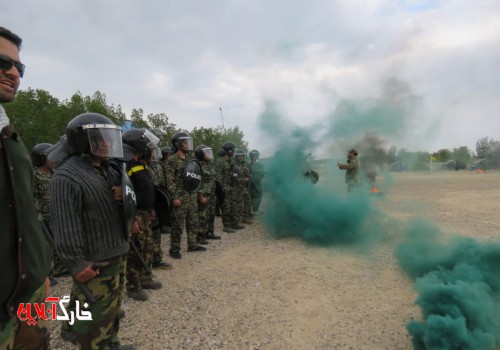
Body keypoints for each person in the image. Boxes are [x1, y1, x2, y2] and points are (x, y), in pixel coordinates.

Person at [50, 112, 135, 349]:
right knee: (95, 318)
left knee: (113, 308)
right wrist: (76, 263)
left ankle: (112, 343)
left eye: (109, 138)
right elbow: (65, 224)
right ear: (83, 141)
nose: (108, 143)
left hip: (117, 251)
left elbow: (118, 205)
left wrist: (121, 200)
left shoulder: (108, 169)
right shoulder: (66, 177)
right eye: (100, 138)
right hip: (95, 261)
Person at [0, 26, 51, 350]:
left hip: (26, 294)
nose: (14, 72)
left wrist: (38, 269)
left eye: (20, 66)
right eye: (3, 61)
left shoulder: (10, 137)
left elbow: (24, 214)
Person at [121, 128, 164, 302]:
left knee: (147, 247)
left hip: (146, 213)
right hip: (136, 214)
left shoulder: (143, 164)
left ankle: (146, 278)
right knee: (135, 252)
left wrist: (152, 208)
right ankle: (133, 286)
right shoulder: (126, 165)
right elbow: (125, 193)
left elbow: (147, 190)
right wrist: (131, 219)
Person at [31, 143, 69, 286]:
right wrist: (38, 214)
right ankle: (47, 273)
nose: (53, 160)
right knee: (46, 246)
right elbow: (33, 196)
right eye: (49, 157)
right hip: (43, 217)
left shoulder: (56, 173)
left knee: (60, 241)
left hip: (57, 214)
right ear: (41, 158)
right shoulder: (35, 175)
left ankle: (60, 268)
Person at [165, 132, 206, 259]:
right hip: (180, 196)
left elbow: (197, 177)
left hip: (192, 195)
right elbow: (169, 180)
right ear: (178, 144)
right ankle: (174, 249)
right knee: (178, 224)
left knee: (193, 220)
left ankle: (192, 245)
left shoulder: (190, 159)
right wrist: (174, 197)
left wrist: (199, 194)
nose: (188, 144)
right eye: (185, 142)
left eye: (188, 142)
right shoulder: (172, 160)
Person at [194, 145, 221, 241]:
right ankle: (200, 236)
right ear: (200, 154)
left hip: (211, 194)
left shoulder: (208, 164)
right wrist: (200, 196)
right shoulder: (198, 165)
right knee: (203, 215)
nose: (209, 154)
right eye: (206, 152)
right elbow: (197, 182)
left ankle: (210, 232)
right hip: (204, 194)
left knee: (211, 214)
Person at [248, 149, 264, 214]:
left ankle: (256, 209)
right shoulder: (248, 164)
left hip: (258, 182)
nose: (255, 157)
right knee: (252, 196)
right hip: (250, 183)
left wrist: (261, 173)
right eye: (253, 155)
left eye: (256, 155)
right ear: (251, 156)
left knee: (260, 194)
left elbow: (262, 173)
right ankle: (253, 210)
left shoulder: (259, 164)